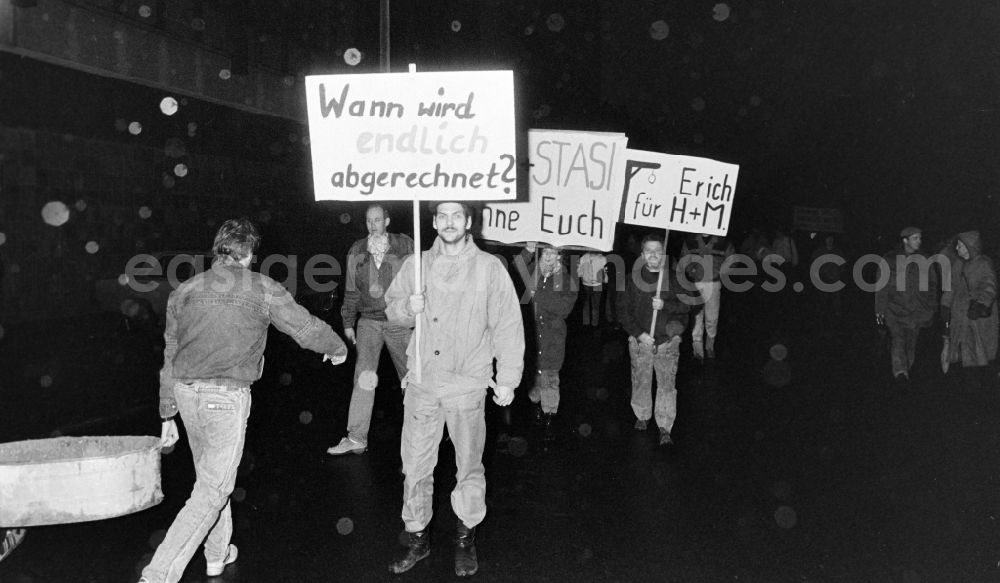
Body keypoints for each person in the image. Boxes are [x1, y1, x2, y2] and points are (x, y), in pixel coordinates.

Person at [138, 218, 348, 583]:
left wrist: (166, 411)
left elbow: (170, 352)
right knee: (213, 489)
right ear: (249, 254)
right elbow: (304, 327)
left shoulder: (184, 290)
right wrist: (337, 347)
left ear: (218, 250)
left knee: (209, 480)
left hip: (186, 395)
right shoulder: (263, 287)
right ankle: (157, 575)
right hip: (226, 398)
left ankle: (217, 555)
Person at [384, 201, 524, 577]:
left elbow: (508, 325)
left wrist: (508, 378)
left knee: (469, 467)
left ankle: (465, 539)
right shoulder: (415, 265)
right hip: (423, 383)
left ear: (468, 221)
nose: (449, 222)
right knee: (414, 466)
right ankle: (417, 538)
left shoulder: (489, 269)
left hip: (467, 385)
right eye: (442, 216)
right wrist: (405, 308)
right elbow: (391, 307)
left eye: (456, 216)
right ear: (432, 221)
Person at [327, 204, 414, 456]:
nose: (372, 224)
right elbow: (351, 291)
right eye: (368, 221)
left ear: (387, 221)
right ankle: (356, 437)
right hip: (369, 323)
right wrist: (347, 322)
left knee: (413, 378)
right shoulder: (357, 250)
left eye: (377, 220)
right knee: (363, 379)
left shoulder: (404, 244)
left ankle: (425, 431)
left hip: (400, 321)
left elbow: (419, 278)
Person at [618, 233, 699, 446]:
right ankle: (642, 415)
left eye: (658, 251)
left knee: (666, 385)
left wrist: (666, 305)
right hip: (640, 342)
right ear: (642, 254)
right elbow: (622, 312)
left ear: (664, 254)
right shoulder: (630, 280)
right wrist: (639, 334)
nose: (653, 255)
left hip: (667, 343)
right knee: (641, 380)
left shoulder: (675, 279)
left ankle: (664, 425)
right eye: (649, 251)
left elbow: (691, 304)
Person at [518, 242, 578, 438]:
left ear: (560, 256)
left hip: (553, 338)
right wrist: (528, 249)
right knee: (533, 376)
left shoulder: (567, 280)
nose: (550, 257)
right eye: (546, 252)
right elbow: (517, 264)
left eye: (555, 253)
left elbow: (563, 308)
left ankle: (550, 415)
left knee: (550, 377)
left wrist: (538, 295)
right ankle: (535, 406)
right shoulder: (531, 273)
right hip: (532, 336)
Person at [874, 226, 938, 384]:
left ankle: (906, 369)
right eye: (915, 238)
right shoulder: (890, 259)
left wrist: (931, 306)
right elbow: (882, 287)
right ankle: (900, 373)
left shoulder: (924, 259)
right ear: (905, 240)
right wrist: (879, 311)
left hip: (916, 311)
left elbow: (932, 285)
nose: (919, 241)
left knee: (911, 343)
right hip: (894, 310)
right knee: (898, 340)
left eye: (920, 238)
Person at [941, 231, 997, 387]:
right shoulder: (958, 264)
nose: (957, 248)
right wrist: (945, 305)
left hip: (976, 319)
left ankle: (979, 395)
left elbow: (989, 285)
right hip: (960, 317)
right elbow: (950, 288)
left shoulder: (983, 263)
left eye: (960, 245)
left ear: (969, 247)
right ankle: (967, 394)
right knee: (963, 356)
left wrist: (981, 304)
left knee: (978, 356)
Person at [680, 233, 733, 360]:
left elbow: (732, 260)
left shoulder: (723, 242)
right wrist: (691, 271)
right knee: (696, 316)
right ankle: (697, 350)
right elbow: (684, 258)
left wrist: (719, 272)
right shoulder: (690, 240)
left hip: (713, 284)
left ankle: (710, 346)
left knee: (712, 316)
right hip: (695, 283)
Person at [578, 252, 608, 328]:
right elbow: (579, 272)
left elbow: (605, 272)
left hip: (596, 284)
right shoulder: (583, 257)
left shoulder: (602, 258)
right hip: (587, 285)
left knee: (594, 305)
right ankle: (588, 324)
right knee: (587, 304)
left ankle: (592, 324)